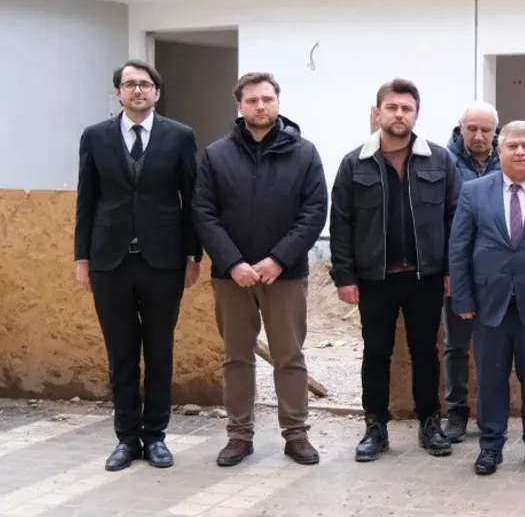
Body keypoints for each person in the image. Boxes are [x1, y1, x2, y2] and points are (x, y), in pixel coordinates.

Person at [192, 73, 328, 467]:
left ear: (278, 102)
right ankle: (239, 435)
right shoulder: (217, 155)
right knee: (236, 357)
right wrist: (232, 262)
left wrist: (278, 259)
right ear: (240, 106)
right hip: (232, 277)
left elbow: (314, 211)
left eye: (267, 99)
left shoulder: (304, 153)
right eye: (252, 100)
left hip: (285, 275)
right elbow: (203, 212)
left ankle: (296, 435)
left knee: (289, 356)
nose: (261, 106)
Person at [74, 59, 202, 472]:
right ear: (118, 93)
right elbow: (86, 199)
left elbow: (192, 199)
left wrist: (193, 255)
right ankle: (127, 439)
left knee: (160, 351)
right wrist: (82, 258)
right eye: (129, 84)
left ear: (157, 93)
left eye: (145, 84)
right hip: (109, 261)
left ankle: (156, 436)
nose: (137, 90)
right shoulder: (95, 136)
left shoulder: (179, 135)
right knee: (121, 353)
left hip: (163, 262)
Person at [329, 78, 462, 462]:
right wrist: (344, 276)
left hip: (426, 277)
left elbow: (455, 219)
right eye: (392, 107)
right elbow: (341, 223)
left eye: (407, 108)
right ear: (378, 113)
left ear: (416, 115)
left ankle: (430, 423)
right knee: (376, 353)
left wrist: (452, 270)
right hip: (375, 279)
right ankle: (375, 427)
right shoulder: (354, 163)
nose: (399, 114)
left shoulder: (439, 160)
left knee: (426, 352)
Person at [448, 121, 525, 476]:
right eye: (512, 146)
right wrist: (462, 299)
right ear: (498, 150)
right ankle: (490, 447)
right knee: (490, 380)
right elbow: (459, 248)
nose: (520, 152)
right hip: (489, 305)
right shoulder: (473, 192)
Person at [442, 101, 502, 443]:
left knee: (494, 345)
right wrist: (449, 270)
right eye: (472, 129)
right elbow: (439, 220)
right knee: (456, 344)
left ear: (496, 132)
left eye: (486, 130)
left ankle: (491, 411)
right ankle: (456, 411)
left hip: (497, 272)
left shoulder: (507, 160)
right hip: (458, 269)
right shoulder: (444, 162)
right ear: (460, 128)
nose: (478, 136)